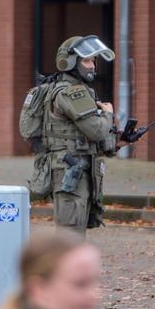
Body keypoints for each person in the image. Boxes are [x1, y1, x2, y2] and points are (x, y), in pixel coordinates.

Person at [41, 35, 118, 235]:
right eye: (86, 60)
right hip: (70, 170)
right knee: (70, 238)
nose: (92, 66)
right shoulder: (71, 93)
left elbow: (88, 137)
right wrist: (108, 114)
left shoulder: (80, 91)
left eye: (93, 60)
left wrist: (118, 142)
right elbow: (97, 130)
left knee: (75, 234)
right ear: (70, 62)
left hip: (80, 167)